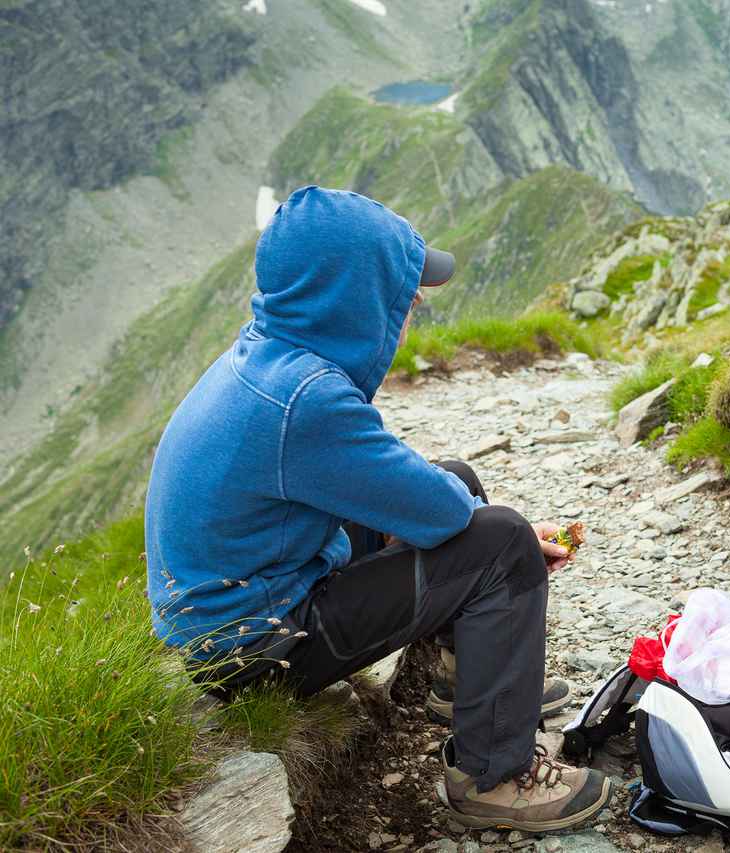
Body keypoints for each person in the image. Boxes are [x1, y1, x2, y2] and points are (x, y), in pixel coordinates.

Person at [144, 186, 610, 832]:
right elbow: (443, 515)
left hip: (231, 613)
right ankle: (493, 773)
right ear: (357, 299)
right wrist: (523, 539)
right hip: (253, 647)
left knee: (457, 479)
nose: (410, 315)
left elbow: (410, 488)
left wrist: (439, 506)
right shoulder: (306, 399)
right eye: (405, 300)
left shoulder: (272, 356)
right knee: (501, 541)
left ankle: (469, 684)